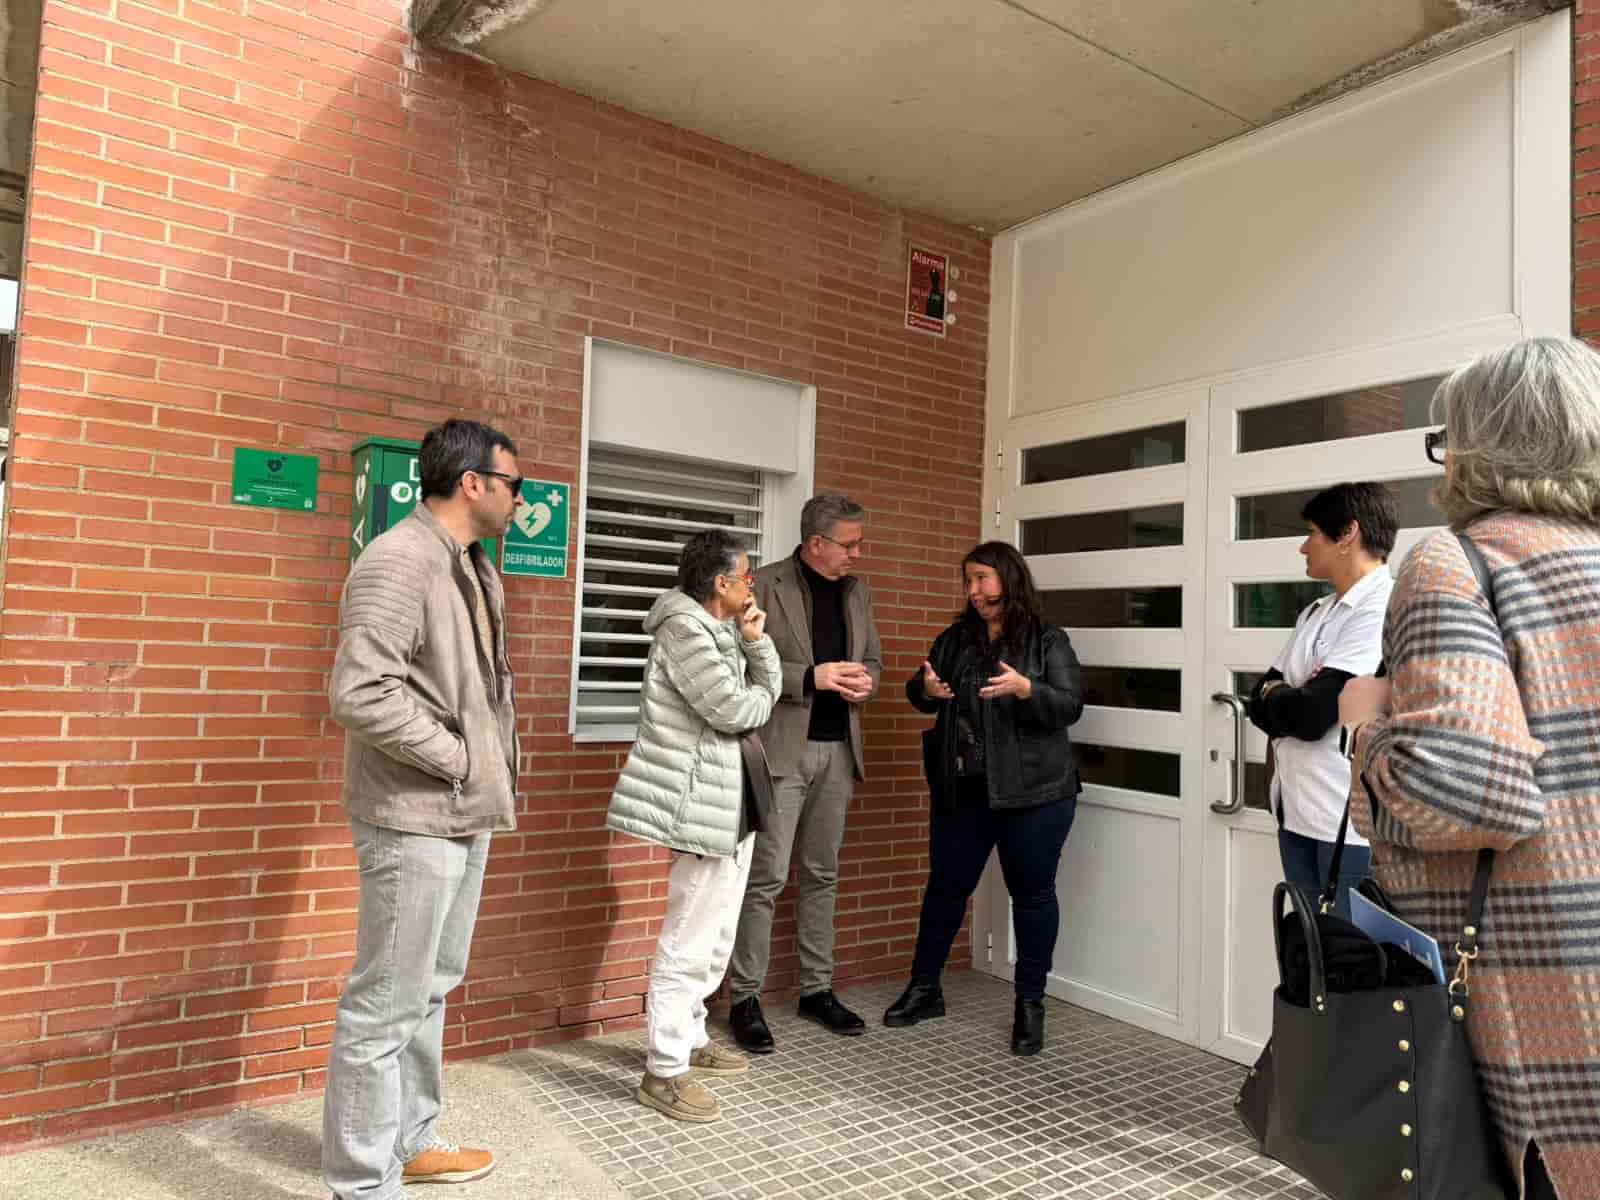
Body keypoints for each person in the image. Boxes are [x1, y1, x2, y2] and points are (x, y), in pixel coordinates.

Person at [1339, 337, 1600, 1200]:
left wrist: (1367, 726)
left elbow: (1468, 793)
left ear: (1479, 447)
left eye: (1447, 439)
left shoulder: (1460, 561)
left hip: (1545, 1016)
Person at [323, 419, 523, 1198]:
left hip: (463, 812)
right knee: (384, 1006)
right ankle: (363, 1184)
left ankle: (409, 1141)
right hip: (413, 815)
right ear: (472, 483)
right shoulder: (398, 560)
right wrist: (462, 759)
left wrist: (481, 772)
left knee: (430, 988)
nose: (520, 500)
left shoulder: (470, 565)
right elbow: (360, 692)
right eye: (513, 484)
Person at [607, 529, 781, 1123]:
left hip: (731, 801)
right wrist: (761, 682)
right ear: (721, 583)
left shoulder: (722, 628)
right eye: (746, 575)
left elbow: (755, 698)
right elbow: (735, 710)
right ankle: (664, 1070)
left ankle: (693, 1035)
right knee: (688, 934)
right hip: (700, 802)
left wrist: (755, 646)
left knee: (717, 932)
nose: (752, 584)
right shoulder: (684, 631)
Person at [883, 541, 1083, 1056]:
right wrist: (926, 690)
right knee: (946, 889)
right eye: (968, 580)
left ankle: (1030, 1004)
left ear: (1008, 579)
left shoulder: (1047, 639)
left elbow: (1069, 705)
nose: (973, 591)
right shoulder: (955, 639)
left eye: (981, 579)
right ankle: (925, 988)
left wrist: (1026, 690)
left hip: (1035, 794)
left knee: (1032, 896)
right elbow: (919, 690)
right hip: (965, 789)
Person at [727, 495, 882, 1052]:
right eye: (849, 544)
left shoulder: (858, 592)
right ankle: (744, 998)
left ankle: (816, 989)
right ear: (816, 542)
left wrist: (867, 681)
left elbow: (874, 659)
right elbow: (740, 661)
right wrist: (809, 677)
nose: (857, 554)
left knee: (823, 873)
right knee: (765, 879)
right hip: (782, 751)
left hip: (839, 750)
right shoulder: (766, 584)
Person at [1245, 482, 1397, 919]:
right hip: (1296, 814)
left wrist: (1285, 695)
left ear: (1348, 533)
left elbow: (1313, 715)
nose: (1303, 547)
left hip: (1348, 828)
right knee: (1307, 949)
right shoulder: (1315, 612)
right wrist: (1282, 694)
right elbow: (1258, 696)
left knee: (1349, 953)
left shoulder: (1382, 608)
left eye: (1312, 533)